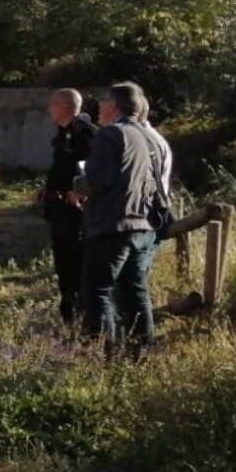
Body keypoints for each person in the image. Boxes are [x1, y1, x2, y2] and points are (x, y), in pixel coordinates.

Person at [75, 82, 169, 355]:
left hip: (111, 225)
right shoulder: (151, 137)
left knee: (97, 292)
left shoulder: (111, 134)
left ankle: (104, 356)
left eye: (103, 102)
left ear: (114, 106)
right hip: (143, 227)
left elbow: (98, 180)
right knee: (135, 292)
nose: (99, 107)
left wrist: (77, 183)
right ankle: (141, 353)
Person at [40, 90, 97, 327]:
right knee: (64, 266)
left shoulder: (86, 135)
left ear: (64, 106)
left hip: (75, 215)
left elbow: (89, 172)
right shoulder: (64, 133)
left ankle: (82, 317)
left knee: (75, 266)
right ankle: (69, 316)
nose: (49, 109)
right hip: (60, 212)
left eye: (53, 105)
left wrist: (79, 194)